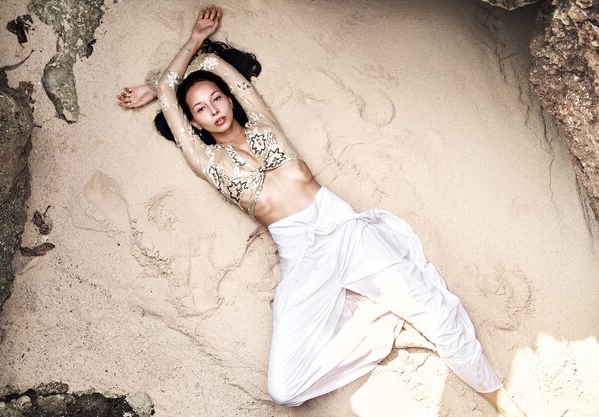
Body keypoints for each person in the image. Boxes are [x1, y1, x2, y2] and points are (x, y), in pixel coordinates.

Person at [117, 5, 528, 416]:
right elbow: (173, 90)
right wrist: (167, 80)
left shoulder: (262, 121)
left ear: (228, 97)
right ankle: (384, 330)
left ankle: (497, 397)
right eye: (201, 110)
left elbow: (211, 65)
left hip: (347, 229)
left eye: (216, 99)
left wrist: (190, 59)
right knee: (284, 388)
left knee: (438, 313)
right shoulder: (206, 162)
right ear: (194, 124)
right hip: (301, 255)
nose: (215, 110)